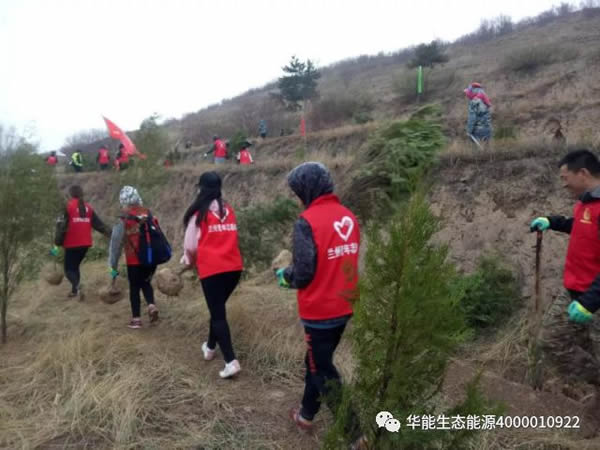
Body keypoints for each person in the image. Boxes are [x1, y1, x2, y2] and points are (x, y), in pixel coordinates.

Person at [275, 162, 361, 437]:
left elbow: (304, 272)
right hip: (345, 305)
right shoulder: (348, 216)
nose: (298, 198)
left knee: (322, 371)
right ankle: (306, 415)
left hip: (320, 311)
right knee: (314, 362)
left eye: (297, 192)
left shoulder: (307, 222)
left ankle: (354, 434)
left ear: (307, 190)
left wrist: (284, 276)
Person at [531, 149, 600, 432]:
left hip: (594, 298)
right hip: (574, 292)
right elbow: (581, 228)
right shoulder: (585, 203)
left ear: (582, 173)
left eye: (565, 177)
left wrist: (590, 302)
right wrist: (553, 221)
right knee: (550, 340)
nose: (563, 184)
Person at [181, 172, 243, 378]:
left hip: (213, 269)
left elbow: (191, 245)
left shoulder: (200, 213)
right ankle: (209, 348)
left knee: (218, 314)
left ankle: (231, 361)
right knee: (217, 308)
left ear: (201, 188)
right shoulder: (229, 209)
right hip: (234, 268)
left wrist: (188, 261)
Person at [108, 186, 160, 329]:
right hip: (150, 258)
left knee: (134, 287)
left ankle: (136, 320)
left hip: (134, 260)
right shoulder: (148, 213)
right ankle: (151, 305)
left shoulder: (123, 219)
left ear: (123, 200)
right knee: (146, 282)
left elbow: (115, 246)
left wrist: (112, 269)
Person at [51, 185, 111, 299]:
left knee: (68, 270)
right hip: (85, 244)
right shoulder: (88, 208)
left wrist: (57, 243)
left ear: (70, 195)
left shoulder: (67, 207)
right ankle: (75, 291)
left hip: (71, 244)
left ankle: (78, 286)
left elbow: (60, 227)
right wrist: (113, 235)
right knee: (75, 267)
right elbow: (100, 225)